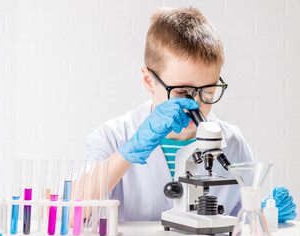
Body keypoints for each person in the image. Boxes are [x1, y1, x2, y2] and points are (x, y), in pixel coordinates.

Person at [84, 7, 296, 222]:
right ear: (149, 80)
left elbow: (242, 218)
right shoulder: (113, 136)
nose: (194, 106)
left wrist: (265, 213)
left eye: (208, 92)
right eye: (182, 92)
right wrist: (127, 153)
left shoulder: (232, 141)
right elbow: (72, 215)